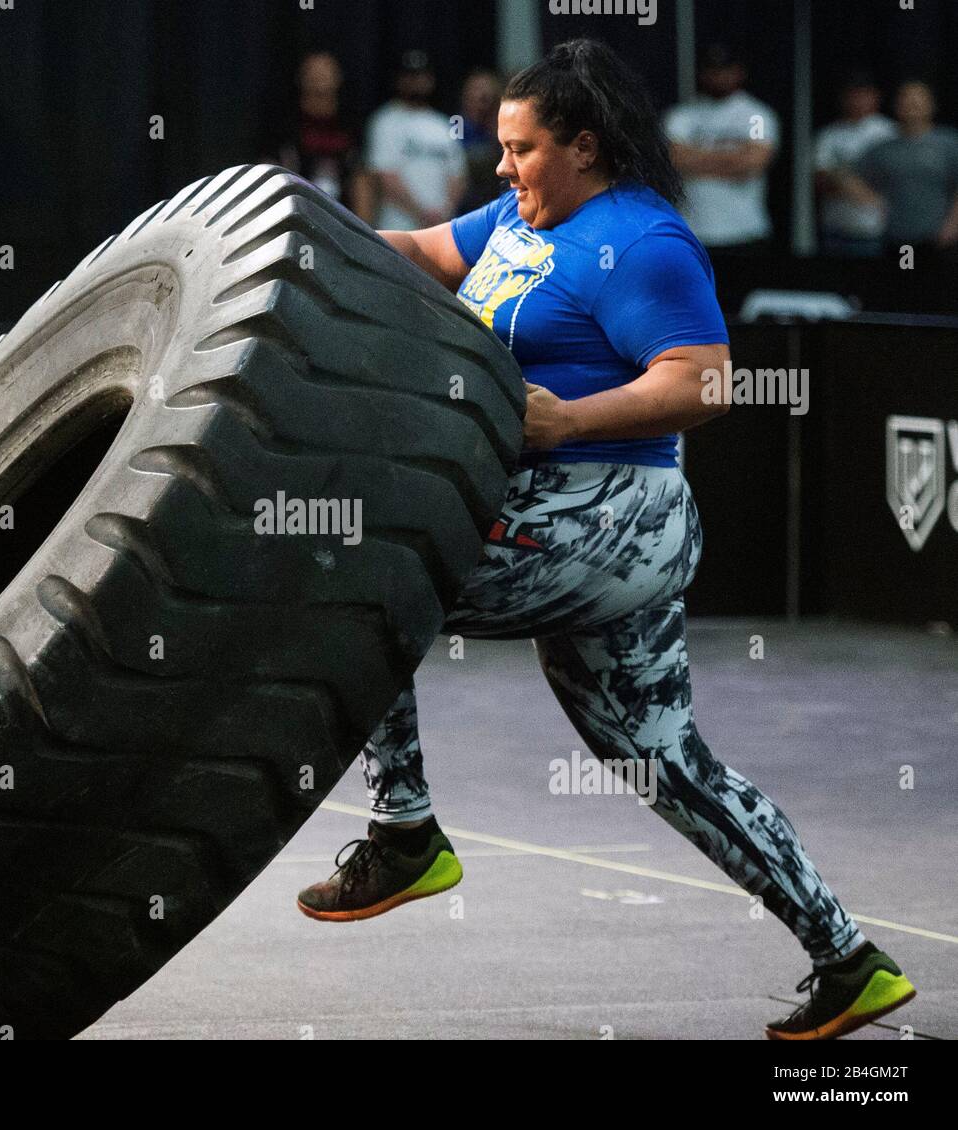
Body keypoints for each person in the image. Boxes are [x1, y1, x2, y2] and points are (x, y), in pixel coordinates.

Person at [296, 39, 916, 1041]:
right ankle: (848, 958)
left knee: (371, 567)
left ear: (584, 146)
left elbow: (706, 380)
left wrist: (570, 420)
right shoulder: (517, 216)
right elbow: (421, 252)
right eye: (500, 147)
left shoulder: (644, 241)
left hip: (614, 515)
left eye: (521, 148)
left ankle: (404, 827)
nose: (502, 168)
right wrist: (304, 228)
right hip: (569, 528)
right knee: (663, 763)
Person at [664, 44, 779, 251]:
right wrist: (733, 157)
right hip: (692, 231)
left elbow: (753, 163)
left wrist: (694, 160)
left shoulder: (756, 116)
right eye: (712, 69)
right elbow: (674, 158)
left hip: (744, 230)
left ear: (739, 72)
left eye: (725, 69)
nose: (719, 76)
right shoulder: (682, 116)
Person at [365, 49, 467, 231]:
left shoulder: (446, 123)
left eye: (421, 75)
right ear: (399, 80)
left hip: (441, 228)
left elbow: (458, 175)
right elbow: (385, 177)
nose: (416, 82)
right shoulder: (385, 120)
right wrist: (422, 213)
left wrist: (444, 211)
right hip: (397, 228)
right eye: (410, 76)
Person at [852, 80, 958, 254]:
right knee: (903, 278)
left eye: (917, 100)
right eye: (906, 101)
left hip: (941, 236)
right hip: (899, 238)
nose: (912, 105)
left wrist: (953, 224)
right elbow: (849, 175)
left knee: (939, 280)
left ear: (930, 105)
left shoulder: (949, 142)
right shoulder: (883, 148)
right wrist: (869, 199)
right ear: (897, 106)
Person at [267, 52, 368, 217]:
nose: (320, 77)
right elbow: (270, 169)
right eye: (313, 72)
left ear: (338, 77)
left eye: (326, 72)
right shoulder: (285, 121)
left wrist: (365, 229)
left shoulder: (350, 121)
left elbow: (361, 176)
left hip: (343, 215)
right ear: (302, 78)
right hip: (294, 210)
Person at [814, 72, 897, 257]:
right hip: (836, 228)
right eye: (853, 95)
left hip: (879, 230)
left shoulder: (890, 132)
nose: (858, 100)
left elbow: (896, 180)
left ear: (876, 96)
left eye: (864, 94)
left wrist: (842, 177)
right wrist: (852, 186)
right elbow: (820, 181)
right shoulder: (829, 135)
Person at [456, 67, 506, 212]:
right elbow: (455, 154)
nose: (482, 95)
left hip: (493, 197)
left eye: (486, 90)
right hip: (465, 199)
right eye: (476, 89)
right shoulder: (457, 121)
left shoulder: (499, 123)